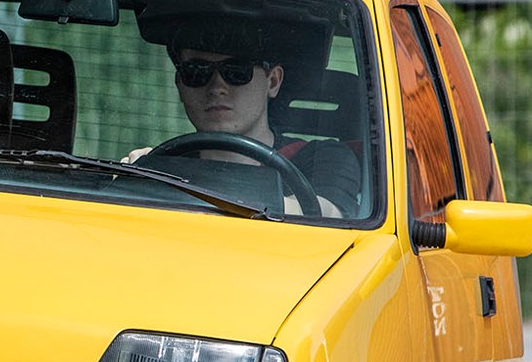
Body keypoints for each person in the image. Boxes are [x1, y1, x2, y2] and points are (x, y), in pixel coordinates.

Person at [125, 17, 361, 218]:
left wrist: (166, 182)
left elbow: (325, 214)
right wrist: (141, 176)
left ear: (273, 81)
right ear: (179, 86)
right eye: (197, 72)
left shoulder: (324, 158)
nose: (217, 87)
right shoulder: (163, 163)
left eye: (236, 71)